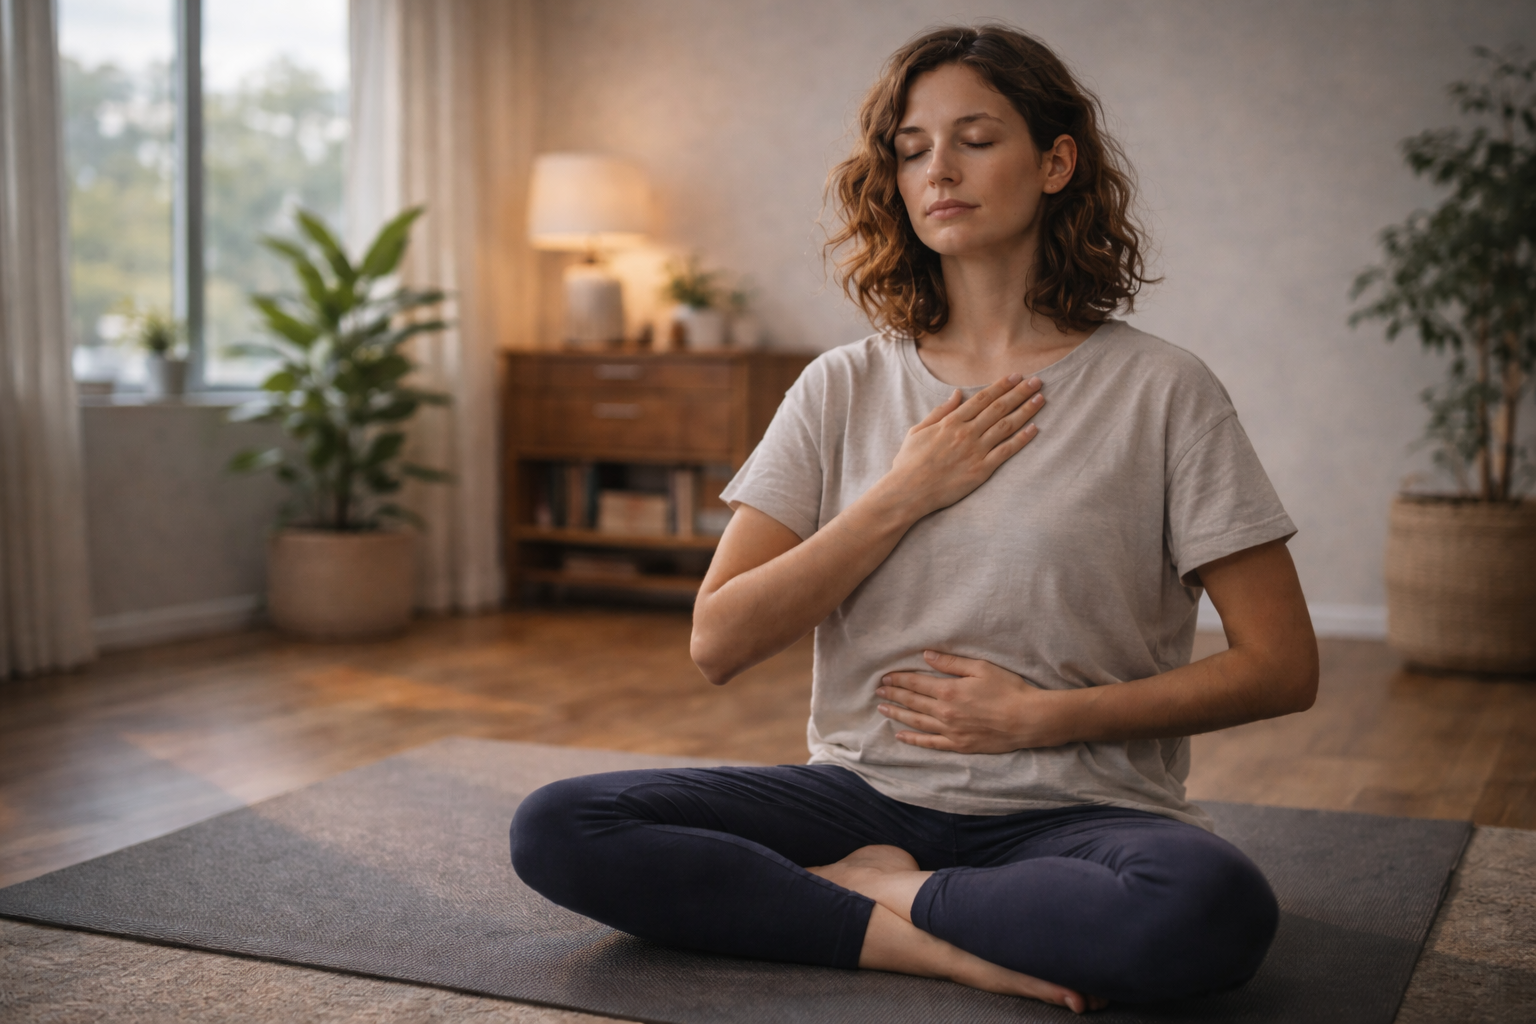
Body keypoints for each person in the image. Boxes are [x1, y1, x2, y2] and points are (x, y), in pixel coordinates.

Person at [511, 24, 1318, 1014]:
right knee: (558, 824)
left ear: (1056, 161)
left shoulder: (1163, 391)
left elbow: (1282, 665)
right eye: (910, 146)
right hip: (862, 794)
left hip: (1079, 808)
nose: (938, 168)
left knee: (1209, 906)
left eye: (976, 138)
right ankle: (930, 938)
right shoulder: (840, 386)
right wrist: (904, 491)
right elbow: (719, 638)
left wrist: (1039, 717)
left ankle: (882, 895)